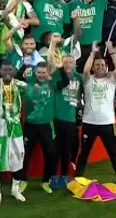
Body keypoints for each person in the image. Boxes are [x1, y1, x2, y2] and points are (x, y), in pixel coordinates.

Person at [74, 41, 116, 188]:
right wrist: (92, 54)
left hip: (107, 123)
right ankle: (78, 178)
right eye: (97, 65)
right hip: (89, 122)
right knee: (84, 153)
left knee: (113, 154)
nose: (100, 67)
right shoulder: (88, 80)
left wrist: (112, 53)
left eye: (103, 65)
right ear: (93, 67)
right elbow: (85, 71)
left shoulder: (111, 80)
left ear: (106, 67)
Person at [19, 61, 69, 194]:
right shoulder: (28, 82)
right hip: (30, 125)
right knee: (25, 154)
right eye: (39, 72)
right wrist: (24, 66)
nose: (41, 75)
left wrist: (61, 69)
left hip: (47, 125)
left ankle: (46, 181)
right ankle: (23, 180)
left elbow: (65, 83)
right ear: (35, 72)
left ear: (48, 73)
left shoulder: (52, 83)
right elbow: (17, 79)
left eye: (44, 72)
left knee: (51, 153)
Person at [0, 60, 27, 206]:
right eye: (5, 69)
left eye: (10, 69)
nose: (8, 72)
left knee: (18, 155)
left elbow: (29, 89)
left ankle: (15, 189)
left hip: (15, 124)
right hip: (0, 123)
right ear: (0, 71)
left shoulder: (19, 84)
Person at [46, 39, 83, 189]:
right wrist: (53, 45)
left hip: (71, 119)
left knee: (67, 150)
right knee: (55, 150)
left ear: (74, 64)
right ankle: (53, 176)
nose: (68, 64)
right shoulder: (57, 75)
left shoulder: (78, 77)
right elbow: (49, 61)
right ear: (61, 63)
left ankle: (64, 175)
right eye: (65, 62)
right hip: (56, 118)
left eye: (70, 62)